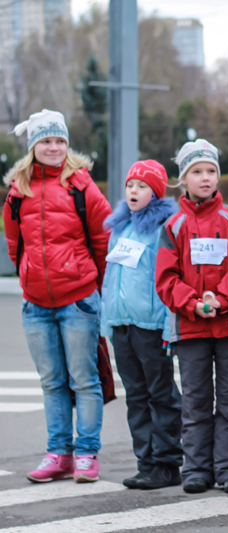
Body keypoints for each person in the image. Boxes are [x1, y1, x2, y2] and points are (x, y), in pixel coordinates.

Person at [3, 109, 111, 484]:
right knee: (51, 382)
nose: (54, 147)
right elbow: (15, 244)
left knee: (84, 380)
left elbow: (103, 241)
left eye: (59, 140)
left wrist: (93, 286)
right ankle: (58, 454)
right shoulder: (19, 190)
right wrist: (30, 277)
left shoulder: (82, 186)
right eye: (46, 141)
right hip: (36, 303)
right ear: (34, 146)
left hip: (78, 299)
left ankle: (86, 454)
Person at [155, 139, 228, 495]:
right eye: (197, 172)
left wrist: (221, 299)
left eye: (211, 171)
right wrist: (192, 303)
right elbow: (166, 279)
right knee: (194, 403)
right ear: (184, 179)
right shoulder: (173, 225)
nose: (206, 178)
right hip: (190, 328)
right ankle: (195, 468)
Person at [101, 160, 182, 490]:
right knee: (135, 395)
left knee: (161, 394)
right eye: (131, 185)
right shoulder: (120, 227)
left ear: (156, 192)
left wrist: (168, 326)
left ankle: (166, 464)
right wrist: (107, 318)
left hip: (150, 326)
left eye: (142, 186)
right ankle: (145, 461)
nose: (133, 191)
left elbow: (166, 280)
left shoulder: (165, 228)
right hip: (122, 324)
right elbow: (111, 277)